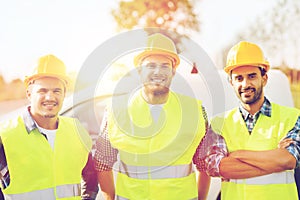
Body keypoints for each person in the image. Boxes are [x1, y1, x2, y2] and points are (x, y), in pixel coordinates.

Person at [94, 33, 212, 200]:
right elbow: (102, 162)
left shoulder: (196, 110)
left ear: (173, 71)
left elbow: (204, 164)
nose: (158, 71)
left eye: (165, 66)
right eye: (151, 66)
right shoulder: (116, 110)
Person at [207, 41, 300, 200]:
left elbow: (288, 159)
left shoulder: (292, 117)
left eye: (252, 76)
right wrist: (274, 160)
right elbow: (220, 167)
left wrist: (237, 154)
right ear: (231, 82)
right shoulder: (218, 124)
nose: (245, 84)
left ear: (264, 78)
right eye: (239, 78)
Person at [0, 54, 97, 200]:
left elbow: (91, 179)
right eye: (42, 91)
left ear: (64, 94)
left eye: (57, 91)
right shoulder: (5, 136)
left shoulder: (76, 131)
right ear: (29, 94)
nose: (50, 97)